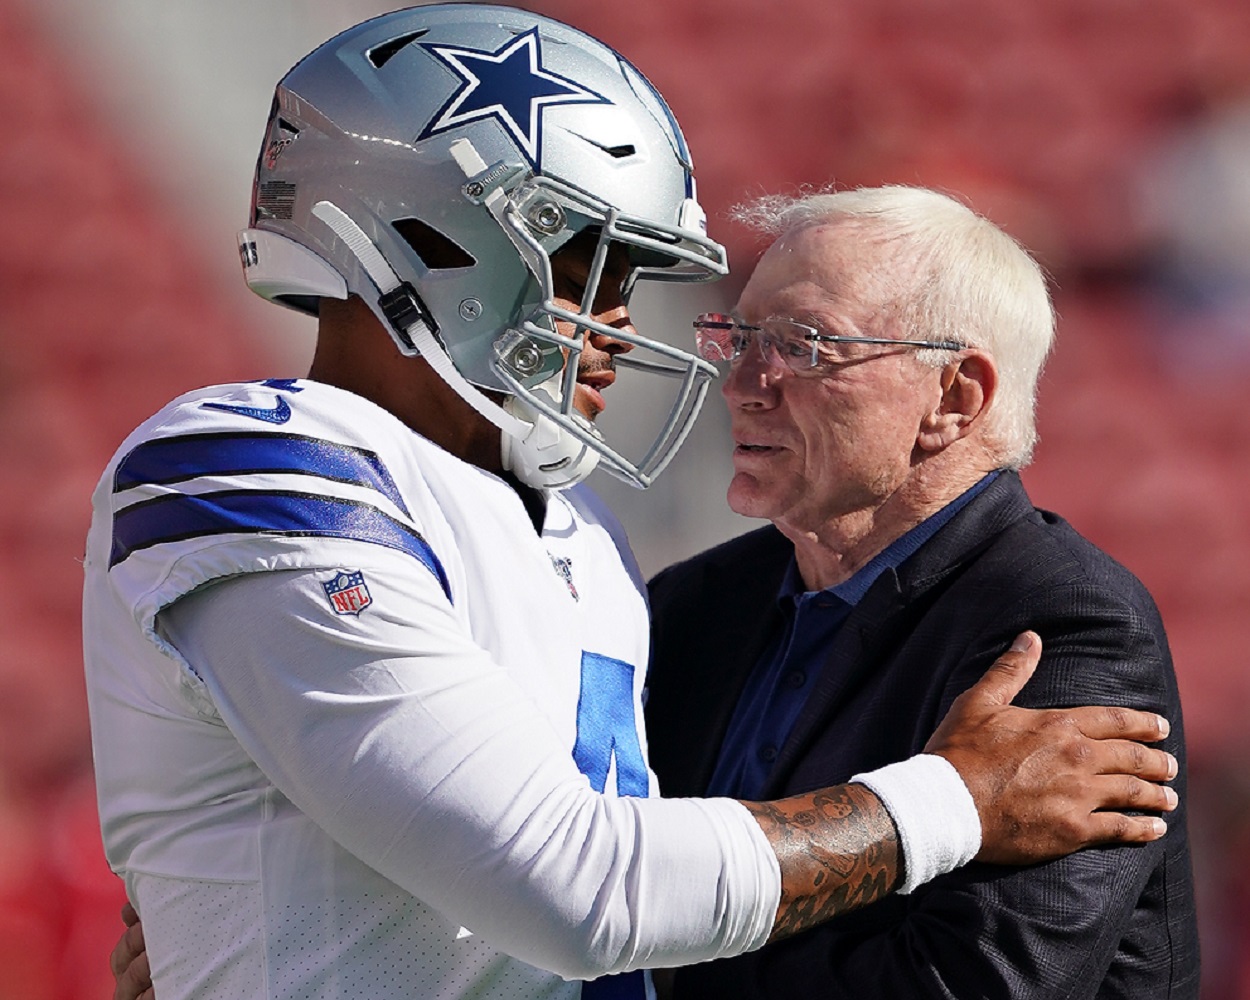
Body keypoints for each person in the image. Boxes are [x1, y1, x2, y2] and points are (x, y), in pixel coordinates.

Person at [88, 9, 1178, 1000]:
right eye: (582, 266)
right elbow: (579, 888)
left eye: (799, 346)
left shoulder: (582, 534)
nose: (615, 322)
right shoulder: (249, 468)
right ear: (431, 233)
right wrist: (950, 801)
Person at [644, 185, 1200, 998]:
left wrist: (653, 964)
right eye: (738, 335)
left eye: (803, 344)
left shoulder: (1064, 621)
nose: (742, 383)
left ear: (955, 398)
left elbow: (973, 985)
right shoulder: (695, 605)